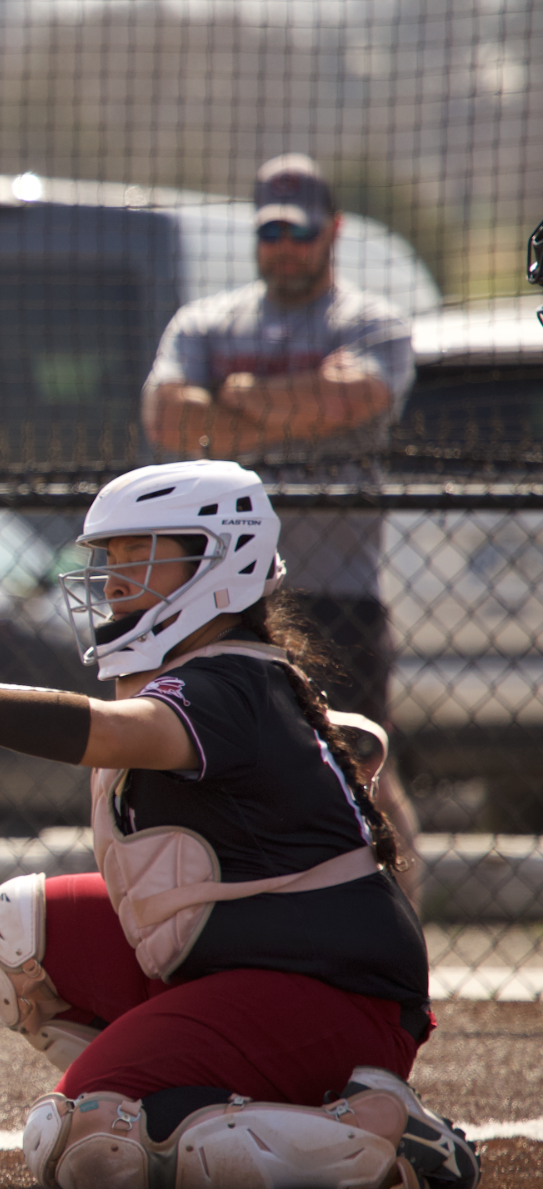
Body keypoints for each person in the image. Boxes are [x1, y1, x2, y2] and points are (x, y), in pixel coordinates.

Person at [0, 459, 478, 1189]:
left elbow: (112, 732)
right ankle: (184, 1086)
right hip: (244, 963)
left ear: (217, 559)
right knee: (16, 933)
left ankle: (379, 1126)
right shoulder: (214, 673)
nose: (110, 579)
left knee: (81, 1140)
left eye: (138, 553)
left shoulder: (225, 680)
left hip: (328, 996)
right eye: (108, 556)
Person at [140, 153, 422, 887]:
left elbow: (352, 399)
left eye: (298, 232)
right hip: (221, 600)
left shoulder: (371, 323)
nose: (284, 247)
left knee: (361, 769)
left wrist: (232, 403)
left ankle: (401, 944)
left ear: (330, 232)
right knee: (212, 767)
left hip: (335, 594)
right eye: (270, 232)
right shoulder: (206, 321)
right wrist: (292, 406)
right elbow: (167, 414)